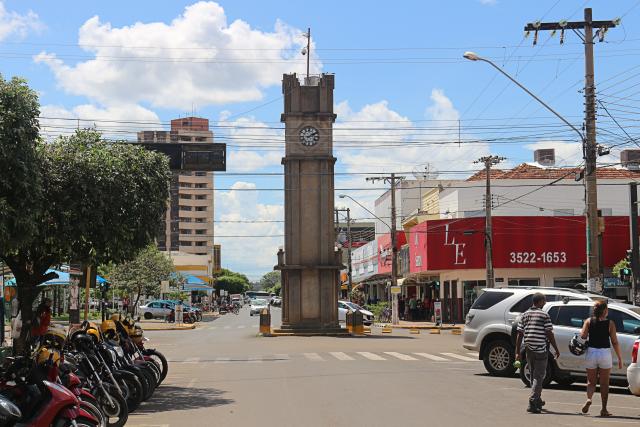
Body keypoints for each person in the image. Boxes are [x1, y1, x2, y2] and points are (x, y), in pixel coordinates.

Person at [515, 293, 560, 414]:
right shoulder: (544, 315)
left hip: (529, 349)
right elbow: (549, 333)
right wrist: (556, 348)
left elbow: (520, 334)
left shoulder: (525, 315)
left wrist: (517, 352)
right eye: (544, 301)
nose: (545, 303)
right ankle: (533, 401)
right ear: (539, 302)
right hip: (541, 349)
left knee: (534, 375)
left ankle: (538, 399)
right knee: (538, 376)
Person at [579, 300, 623, 417]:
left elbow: (583, 336)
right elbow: (614, 342)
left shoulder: (588, 321)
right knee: (604, 383)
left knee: (591, 381)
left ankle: (589, 398)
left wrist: (582, 329)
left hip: (592, 352)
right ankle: (603, 409)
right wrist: (619, 358)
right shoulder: (610, 323)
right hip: (604, 353)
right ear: (605, 310)